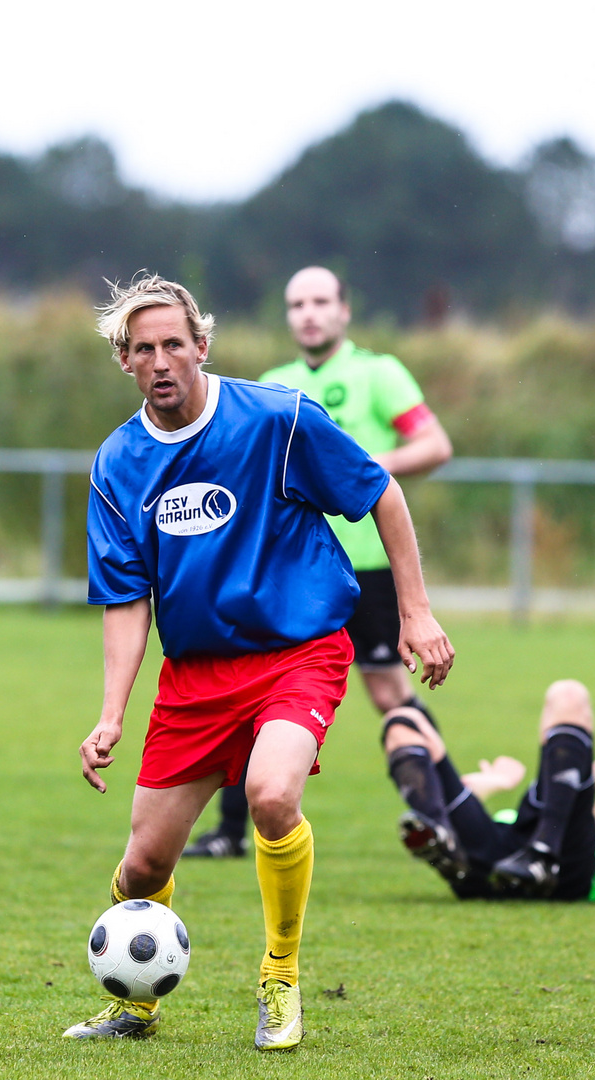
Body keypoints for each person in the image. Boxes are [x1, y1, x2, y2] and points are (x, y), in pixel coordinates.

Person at [62, 273, 455, 1048]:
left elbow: (380, 491)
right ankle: (135, 1003)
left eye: (176, 343)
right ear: (126, 362)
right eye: (145, 349)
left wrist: (415, 611)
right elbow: (126, 599)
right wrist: (111, 714)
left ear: (202, 345)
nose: (163, 359)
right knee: (142, 867)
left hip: (296, 654)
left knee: (272, 795)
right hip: (197, 677)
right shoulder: (117, 465)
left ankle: (280, 977)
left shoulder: (277, 420)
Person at [184, 265, 453, 859]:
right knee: (256, 684)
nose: (308, 312)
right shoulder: (274, 385)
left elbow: (435, 445)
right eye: (297, 303)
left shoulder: (377, 374)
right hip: (294, 574)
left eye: (320, 301)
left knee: (387, 691)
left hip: (369, 564)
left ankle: (446, 809)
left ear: (344, 310)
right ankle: (232, 831)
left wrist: (353, 464)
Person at [386, 679, 595, 901]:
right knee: (401, 721)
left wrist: (560, 775)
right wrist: (498, 782)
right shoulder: (555, 808)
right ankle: (444, 838)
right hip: (490, 861)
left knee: (568, 694)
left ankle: (543, 854)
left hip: (565, 872)